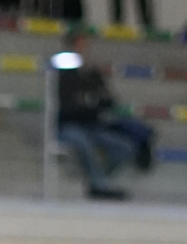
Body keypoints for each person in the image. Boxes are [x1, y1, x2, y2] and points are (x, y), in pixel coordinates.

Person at [56, 36, 137, 200]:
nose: (83, 51)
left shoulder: (94, 74)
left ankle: (98, 181)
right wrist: (91, 102)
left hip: (92, 126)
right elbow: (67, 105)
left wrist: (88, 102)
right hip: (69, 125)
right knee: (83, 143)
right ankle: (99, 184)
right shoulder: (63, 73)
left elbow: (109, 100)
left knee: (124, 147)